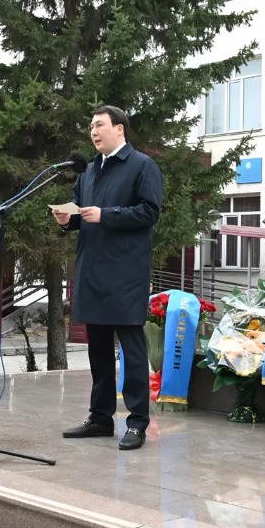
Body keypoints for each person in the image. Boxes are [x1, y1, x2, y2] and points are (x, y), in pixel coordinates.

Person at [53, 105, 163, 451]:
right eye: (91, 126)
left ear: (119, 129)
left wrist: (107, 214)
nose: (93, 131)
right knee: (98, 350)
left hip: (126, 273)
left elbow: (149, 211)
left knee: (132, 349)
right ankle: (100, 418)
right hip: (92, 271)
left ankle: (137, 422)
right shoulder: (88, 172)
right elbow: (81, 213)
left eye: (99, 125)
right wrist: (67, 220)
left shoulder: (142, 165)